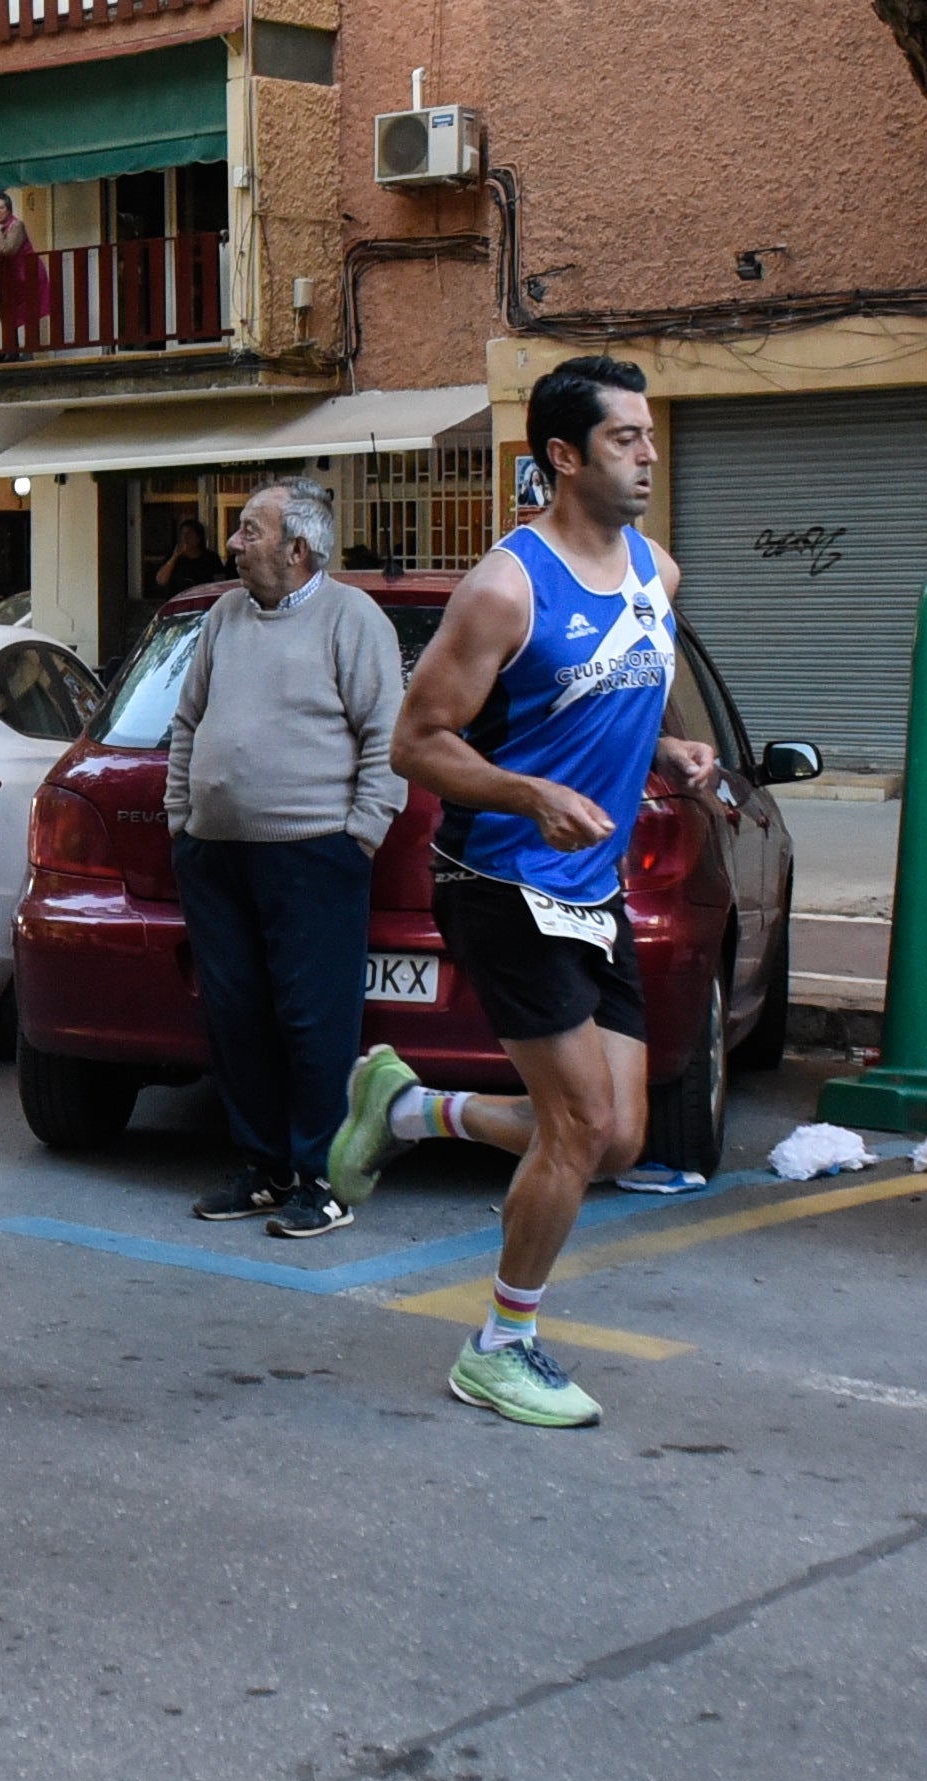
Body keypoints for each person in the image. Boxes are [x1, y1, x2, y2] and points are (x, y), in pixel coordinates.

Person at [333, 355, 714, 1428]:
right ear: (562, 456)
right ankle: (500, 1342)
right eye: (625, 438)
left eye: (646, 435)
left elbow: (629, 693)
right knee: (579, 1123)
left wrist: (671, 754)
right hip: (498, 875)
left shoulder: (655, 571)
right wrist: (526, 790)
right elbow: (416, 743)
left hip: (586, 887)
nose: (647, 454)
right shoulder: (506, 587)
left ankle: (406, 1106)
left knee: (622, 1136)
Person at [166, 478, 405, 1240]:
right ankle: (263, 1167)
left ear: (297, 549)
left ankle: (321, 1178)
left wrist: (360, 833)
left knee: (312, 1021)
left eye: (248, 531)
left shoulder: (352, 618)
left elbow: (385, 736)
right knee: (235, 1016)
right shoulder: (222, 616)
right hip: (216, 855)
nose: (233, 544)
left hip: (313, 856)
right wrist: (181, 821)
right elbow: (186, 719)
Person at [0, 192, 50, 360]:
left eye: (1, 207)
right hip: (6, 278)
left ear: (8, 209)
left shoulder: (17, 226)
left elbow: (8, 250)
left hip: (27, 275)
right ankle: (12, 351)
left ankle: (29, 351)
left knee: (29, 312)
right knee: (8, 313)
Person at [152, 518, 228, 601]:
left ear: (199, 537)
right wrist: (174, 557)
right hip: (178, 604)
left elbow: (221, 583)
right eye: (183, 534)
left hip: (202, 603)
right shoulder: (174, 557)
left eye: (189, 534)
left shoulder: (211, 557)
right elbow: (161, 580)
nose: (185, 538)